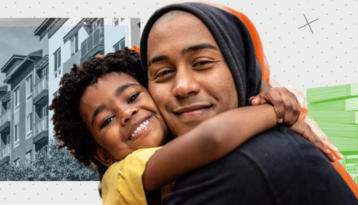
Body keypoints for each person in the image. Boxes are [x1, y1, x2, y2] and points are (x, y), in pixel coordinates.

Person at [139, 2, 358, 204]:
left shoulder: (247, 166)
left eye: (203, 62)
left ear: (240, 69)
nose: (183, 86)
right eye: (163, 72)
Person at [49, 49, 331, 205]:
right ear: (103, 156)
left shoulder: (182, 132)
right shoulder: (119, 178)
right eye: (106, 120)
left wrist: (264, 90)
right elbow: (213, 138)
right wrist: (277, 113)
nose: (126, 113)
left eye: (133, 97)